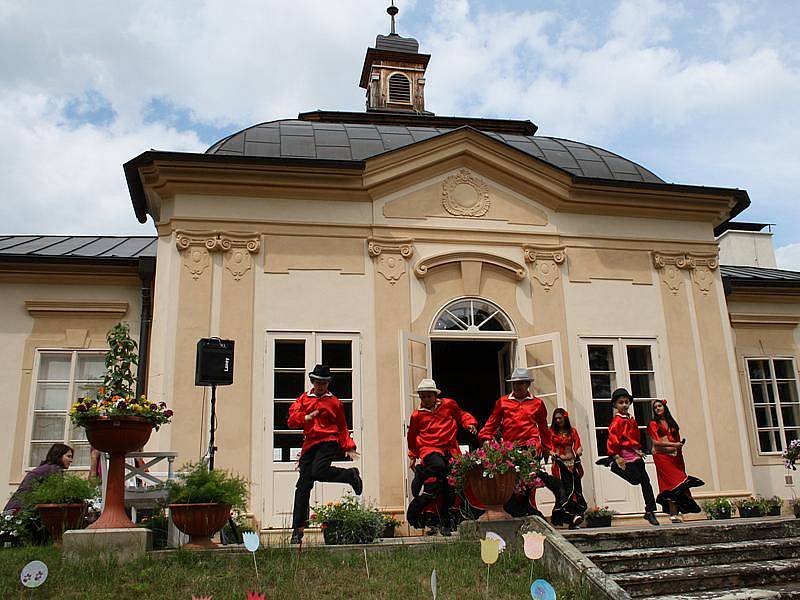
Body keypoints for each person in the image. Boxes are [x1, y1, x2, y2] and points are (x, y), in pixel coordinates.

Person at [287, 364, 362, 544]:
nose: (320, 386)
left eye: (324, 383)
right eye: (318, 382)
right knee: (303, 485)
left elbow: (343, 426)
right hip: (310, 444)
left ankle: (350, 475)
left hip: (328, 441)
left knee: (319, 471)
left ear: (328, 384)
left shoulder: (335, 402)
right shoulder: (304, 400)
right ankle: (298, 529)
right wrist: (304, 418)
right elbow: (292, 420)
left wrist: (348, 446)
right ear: (312, 382)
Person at [478, 367, 564, 519]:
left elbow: (543, 427)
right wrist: (485, 438)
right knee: (513, 485)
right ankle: (530, 512)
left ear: (527, 385)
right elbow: (491, 424)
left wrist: (546, 447)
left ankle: (536, 508)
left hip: (531, 446)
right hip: (511, 448)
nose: (517, 386)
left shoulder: (537, 403)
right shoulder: (503, 402)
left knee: (529, 482)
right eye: (514, 384)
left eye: (520, 383)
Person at [406, 378, 477, 535]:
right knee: (438, 467)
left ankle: (445, 522)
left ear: (435, 395)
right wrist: (413, 454)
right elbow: (412, 437)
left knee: (450, 486)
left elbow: (461, 415)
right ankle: (421, 473)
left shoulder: (448, 405)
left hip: (449, 449)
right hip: (429, 448)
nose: (425, 400)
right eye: (422, 397)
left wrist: (469, 424)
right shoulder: (417, 415)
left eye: (428, 396)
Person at [602, 387, 659, 526]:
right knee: (635, 480)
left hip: (635, 454)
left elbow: (634, 437)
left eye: (626, 402)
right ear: (615, 405)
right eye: (621, 402)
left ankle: (650, 511)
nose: (624, 405)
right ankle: (612, 465)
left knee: (646, 483)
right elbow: (613, 439)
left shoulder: (630, 419)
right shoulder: (617, 422)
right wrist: (615, 456)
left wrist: (638, 449)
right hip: (625, 456)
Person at [648, 399, 704, 522]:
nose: (657, 409)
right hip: (662, 456)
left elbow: (677, 440)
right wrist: (675, 446)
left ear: (664, 407)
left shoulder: (671, 422)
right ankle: (680, 509)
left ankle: (673, 515)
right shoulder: (653, 424)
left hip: (675, 456)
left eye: (659, 406)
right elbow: (656, 443)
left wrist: (678, 450)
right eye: (655, 407)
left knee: (672, 487)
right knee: (674, 482)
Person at [3, 443, 73, 513]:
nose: (71, 460)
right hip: (20, 511)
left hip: (14, 509)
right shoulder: (53, 469)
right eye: (68, 456)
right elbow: (57, 493)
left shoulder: (47, 467)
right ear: (58, 455)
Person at [550, 408, 587, 528]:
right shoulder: (551, 432)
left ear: (565, 418)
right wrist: (552, 453)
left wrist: (579, 450)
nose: (558, 420)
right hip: (560, 465)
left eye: (560, 418)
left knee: (575, 491)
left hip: (572, 463)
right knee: (563, 491)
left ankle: (574, 518)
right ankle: (568, 517)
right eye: (556, 418)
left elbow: (578, 445)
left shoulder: (572, 431)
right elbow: (548, 447)